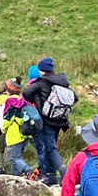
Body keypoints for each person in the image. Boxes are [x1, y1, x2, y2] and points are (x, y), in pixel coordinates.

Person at [24, 56, 75, 186]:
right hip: (59, 120)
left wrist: (38, 103)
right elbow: (75, 97)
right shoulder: (62, 82)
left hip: (46, 120)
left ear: (41, 70)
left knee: (50, 148)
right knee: (50, 146)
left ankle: (62, 170)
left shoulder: (41, 82)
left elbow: (26, 93)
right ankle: (51, 176)